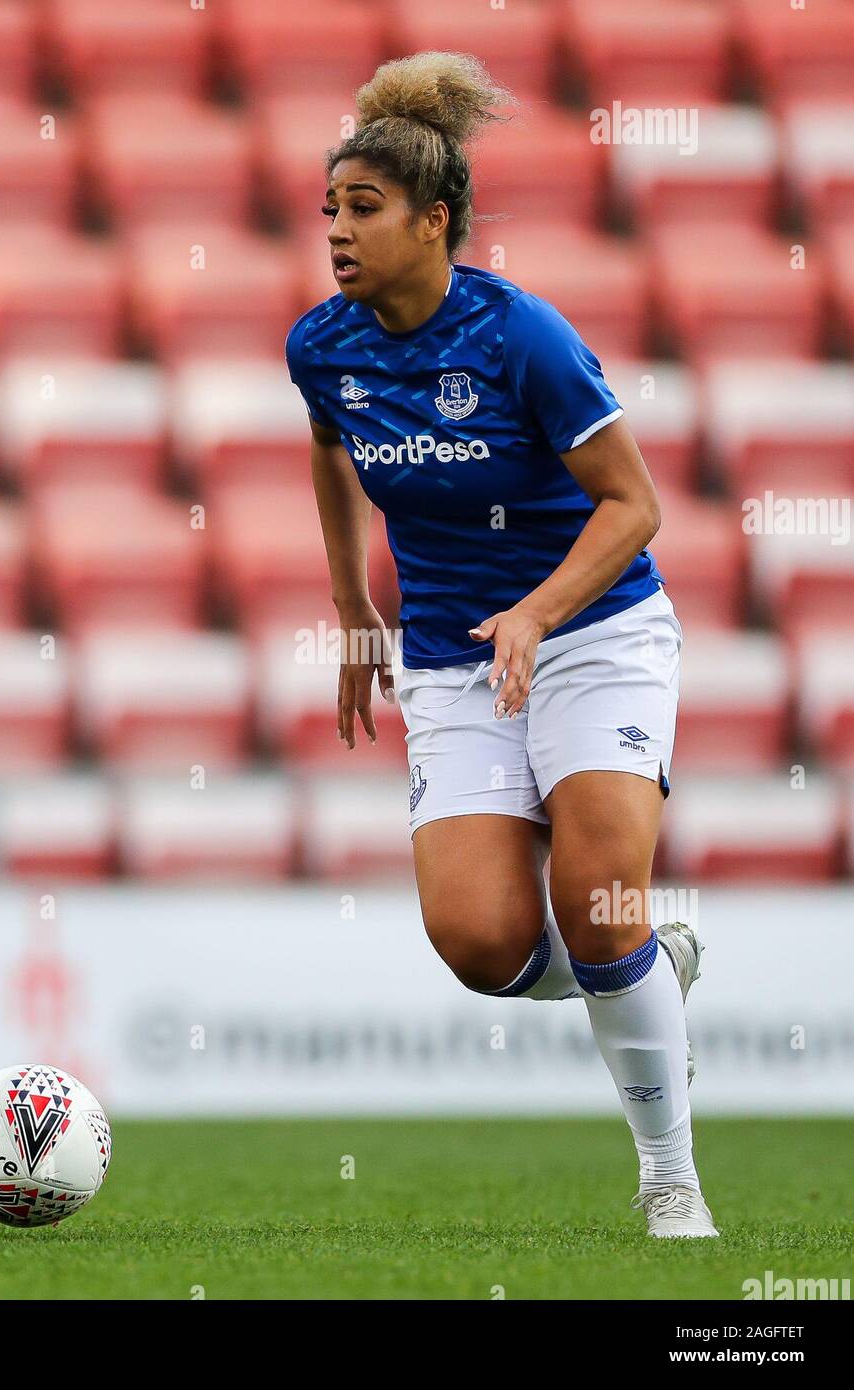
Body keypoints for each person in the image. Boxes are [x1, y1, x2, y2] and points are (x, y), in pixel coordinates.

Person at [285, 51, 717, 1238]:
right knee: (481, 944)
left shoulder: (520, 336)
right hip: (448, 658)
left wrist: (535, 609)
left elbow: (633, 505)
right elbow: (328, 449)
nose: (336, 232)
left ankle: (667, 1177)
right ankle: (648, 967)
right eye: (329, 209)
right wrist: (349, 605)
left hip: (592, 636)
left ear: (434, 222)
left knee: (597, 897)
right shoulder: (323, 347)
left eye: (362, 210)